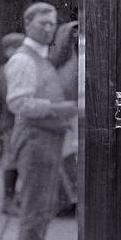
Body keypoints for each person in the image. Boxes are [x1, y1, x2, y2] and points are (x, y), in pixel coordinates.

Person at [4, 2, 78, 240]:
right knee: (34, 212)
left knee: (45, 209)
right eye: (42, 24)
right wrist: (60, 109)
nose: (48, 29)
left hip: (49, 141)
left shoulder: (43, 58)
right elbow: (18, 104)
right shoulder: (23, 60)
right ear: (27, 23)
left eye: (52, 24)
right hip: (34, 141)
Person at [48, 20, 79, 217]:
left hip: (75, 114)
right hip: (65, 114)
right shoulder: (61, 67)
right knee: (62, 158)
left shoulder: (77, 63)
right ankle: (66, 201)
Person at [0, 32, 24, 216]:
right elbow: (11, 98)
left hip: (15, 119)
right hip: (11, 120)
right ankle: (8, 201)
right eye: (17, 48)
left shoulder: (15, 68)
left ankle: (16, 198)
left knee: (18, 159)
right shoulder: (7, 69)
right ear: (8, 51)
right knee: (11, 160)